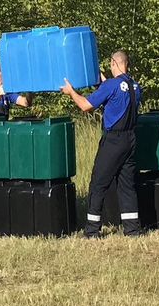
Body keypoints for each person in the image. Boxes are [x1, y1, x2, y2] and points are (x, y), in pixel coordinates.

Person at [60, 51, 142, 237]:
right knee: (126, 185)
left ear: (114, 63)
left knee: (98, 183)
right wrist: (101, 80)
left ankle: (92, 230)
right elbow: (115, 92)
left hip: (113, 141)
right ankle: (133, 229)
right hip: (130, 139)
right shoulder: (135, 86)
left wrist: (71, 91)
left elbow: (86, 106)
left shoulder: (112, 85)